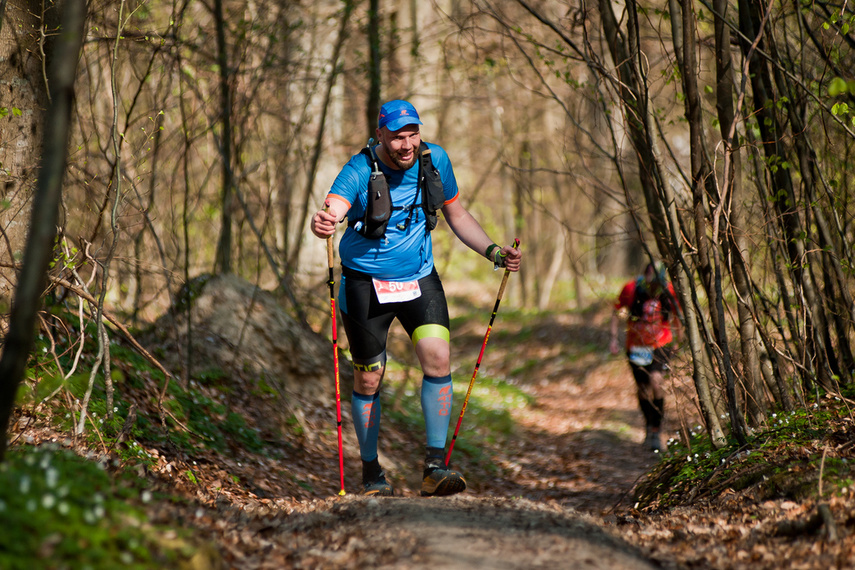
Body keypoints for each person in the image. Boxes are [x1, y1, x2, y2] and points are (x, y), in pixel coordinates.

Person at [311, 99, 522, 496]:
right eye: (397, 137)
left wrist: (495, 253)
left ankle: (435, 467)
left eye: (413, 134)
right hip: (365, 284)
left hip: (419, 278)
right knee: (369, 377)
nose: (406, 144)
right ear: (380, 137)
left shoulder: (434, 160)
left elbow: (457, 215)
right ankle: (372, 474)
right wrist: (322, 221)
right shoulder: (359, 170)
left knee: (438, 359)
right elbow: (332, 209)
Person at [609, 261, 680, 452]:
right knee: (642, 388)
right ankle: (648, 425)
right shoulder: (631, 289)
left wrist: (678, 341)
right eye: (649, 281)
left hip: (661, 344)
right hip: (636, 345)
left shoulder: (669, 290)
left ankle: (657, 430)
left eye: (655, 281)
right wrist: (613, 339)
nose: (652, 285)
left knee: (656, 381)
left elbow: (677, 315)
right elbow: (616, 311)